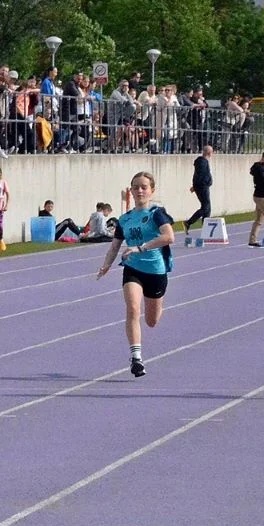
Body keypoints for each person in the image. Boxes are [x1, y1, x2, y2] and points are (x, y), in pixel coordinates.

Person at [96, 171, 175, 378]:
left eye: (144, 187)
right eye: (136, 187)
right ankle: (136, 358)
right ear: (130, 191)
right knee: (132, 308)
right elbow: (115, 247)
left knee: (152, 321)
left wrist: (142, 247)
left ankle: (157, 302)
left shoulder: (157, 213)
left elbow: (169, 237)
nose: (140, 190)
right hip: (132, 268)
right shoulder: (125, 219)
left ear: (151, 190)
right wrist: (106, 265)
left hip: (156, 270)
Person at [183, 145, 213, 235]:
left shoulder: (203, 162)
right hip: (202, 187)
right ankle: (188, 222)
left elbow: (197, 175)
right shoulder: (202, 162)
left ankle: (205, 229)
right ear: (209, 153)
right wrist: (196, 186)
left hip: (202, 186)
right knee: (205, 208)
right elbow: (199, 176)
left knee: (207, 208)